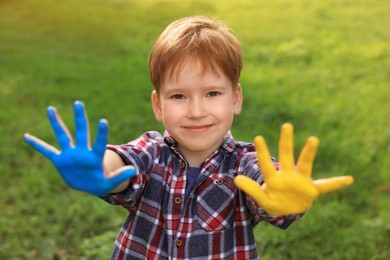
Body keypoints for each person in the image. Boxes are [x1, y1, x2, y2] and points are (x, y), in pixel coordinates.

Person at [24, 16, 353, 259]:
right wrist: (100, 169)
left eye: (212, 92)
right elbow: (123, 163)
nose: (196, 111)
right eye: (179, 96)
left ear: (235, 98)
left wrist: (284, 196)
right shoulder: (152, 151)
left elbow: (269, 187)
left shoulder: (245, 164)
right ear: (158, 104)